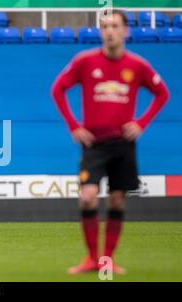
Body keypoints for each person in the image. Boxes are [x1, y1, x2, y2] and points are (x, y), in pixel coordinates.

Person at [51, 10, 169, 274]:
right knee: (88, 197)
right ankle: (92, 259)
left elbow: (162, 93)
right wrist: (74, 125)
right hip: (93, 144)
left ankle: (108, 260)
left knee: (117, 201)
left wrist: (141, 122)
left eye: (114, 26)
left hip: (123, 144)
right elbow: (58, 88)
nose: (109, 31)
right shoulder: (85, 61)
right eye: (104, 26)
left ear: (126, 31)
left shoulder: (137, 66)